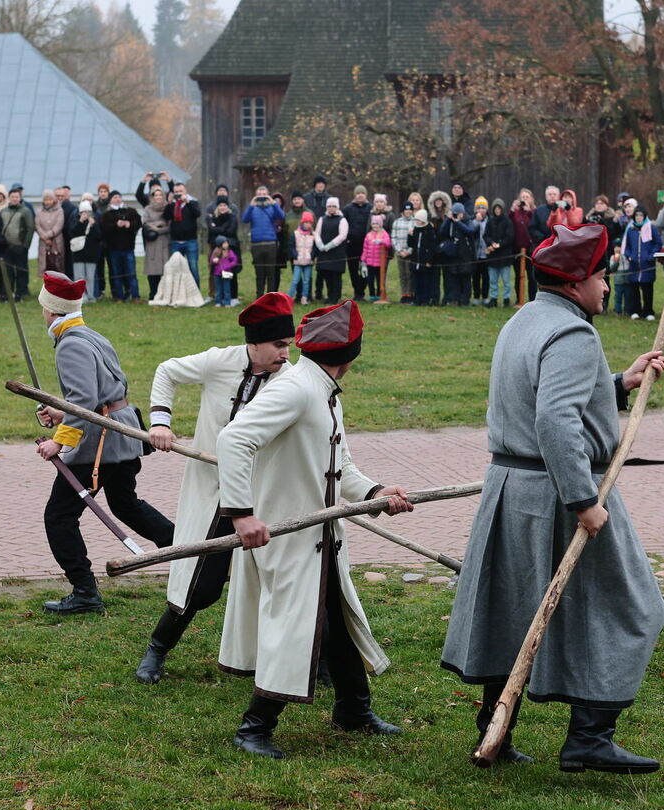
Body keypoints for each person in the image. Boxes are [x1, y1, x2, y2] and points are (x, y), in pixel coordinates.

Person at [442, 224, 664, 771]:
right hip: (555, 494)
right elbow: (554, 419)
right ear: (574, 284)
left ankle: (492, 729)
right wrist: (583, 500)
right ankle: (590, 737)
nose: (607, 285)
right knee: (633, 603)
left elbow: (547, 396)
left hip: (512, 489)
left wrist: (619, 383)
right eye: (599, 275)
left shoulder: (525, 318)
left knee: (513, 606)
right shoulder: (573, 334)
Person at [216, 300, 414, 759]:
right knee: (293, 626)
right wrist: (241, 513)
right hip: (288, 537)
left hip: (321, 538)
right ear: (351, 352)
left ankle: (353, 710)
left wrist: (376, 494)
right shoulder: (298, 389)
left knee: (337, 621)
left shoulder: (320, 389)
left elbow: (338, 465)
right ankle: (253, 729)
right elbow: (234, 439)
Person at [134, 293, 295, 683]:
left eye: (288, 345)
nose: (285, 354)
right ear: (254, 344)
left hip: (265, 496)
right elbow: (167, 370)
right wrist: (160, 421)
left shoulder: (291, 380)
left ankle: (314, 660)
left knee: (285, 578)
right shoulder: (220, 361)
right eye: (278, 345)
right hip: (215, 491)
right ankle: (157, 649)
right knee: (200, 581)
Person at [33, 271, 174, 614]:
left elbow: (84, 400)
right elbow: (102, 396)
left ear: (51, 311)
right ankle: (189, 554)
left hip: (101, 444)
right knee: (126, 505)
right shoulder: (91, 335)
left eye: (43, 308)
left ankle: (84, 591)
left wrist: (59, 441)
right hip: (120, 437)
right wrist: (60, 411)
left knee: (59, 517)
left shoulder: (70, 344)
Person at [242, 186, 286, 297]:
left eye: (264, 194)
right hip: (256, 244)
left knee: (271, 273)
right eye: (259, 194)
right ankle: (259, 296)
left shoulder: (271, 208)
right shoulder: (253, 208)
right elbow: (244, 219)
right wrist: (251, 205)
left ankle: (270, 297)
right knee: (259, 273)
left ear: (268, 195)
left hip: (270, 244)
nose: (261, 196)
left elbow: (281, 216)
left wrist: (273, 203)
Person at [100, 191, 141, 302]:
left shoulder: (130, 211)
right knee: (116, 274)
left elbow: (138, 222)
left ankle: (135, 295)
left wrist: (129, 224)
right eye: (115, 197)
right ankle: (118, 296)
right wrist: (115, 225)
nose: (117, 199)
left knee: (131, 273)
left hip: (128, 248)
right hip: (113, 249)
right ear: (110, 199)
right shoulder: (107, 214)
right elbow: (104, 227)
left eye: (119, 197)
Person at [0, 187, 35, 300]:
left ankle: (20, 294)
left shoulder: (25, 211)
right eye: (12, 197)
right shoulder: (4, 211)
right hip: (6, 247)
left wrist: (25, 246)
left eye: (17, 197)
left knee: (20, 272)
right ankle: (7, 294)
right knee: (7, 272)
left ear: (20, 198)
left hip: (19, 246)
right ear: (9, 198)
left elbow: (30, 228)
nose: (14, 199)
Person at [163, 182, 202, 288]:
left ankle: (195, 294)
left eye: (180, 191)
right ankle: (178, 293)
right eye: (176, 192)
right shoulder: (173, 205)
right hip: (176, 241)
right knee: (176, 269)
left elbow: (197, 214)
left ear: (185, 192)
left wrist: (187, 202)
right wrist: (169, 203)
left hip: (190, 241)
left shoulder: (193, 202)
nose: (178, 194)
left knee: (193, 268)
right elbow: (166, 216)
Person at [439, 201, 476, 306]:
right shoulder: (450, 222)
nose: (457, 215)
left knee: (465, 278)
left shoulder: (467, 221)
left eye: (458, 213)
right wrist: (448, 219)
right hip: (454, 255)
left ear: (462, 213)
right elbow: (442, 231)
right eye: (455, 213)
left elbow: (470, 231)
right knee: (454, 277)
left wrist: (457, 222)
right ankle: (456, 298)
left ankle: (465, 300)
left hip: (465, 255)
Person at [140, 184, 171, 301]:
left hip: (164, 243)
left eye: (160, 195)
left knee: (166, 271)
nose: (158, 197)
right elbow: (146, 223)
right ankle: (153, 294)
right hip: (152, 243)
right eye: (155, 195)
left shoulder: (168, 208)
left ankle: (166, 295)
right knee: (153, 271)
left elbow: (169, 226)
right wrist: (158, 225)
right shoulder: (148, 209)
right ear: (152, 197)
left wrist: (159, 229)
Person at [314, 197, 348, 303]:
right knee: (326, 274)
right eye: (329, 206)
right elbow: (317, 233)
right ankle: (329, 295)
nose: (331, 208)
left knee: (336, 275)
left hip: (336, 252)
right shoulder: (322, 219)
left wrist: (330, 245)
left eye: (334, 206)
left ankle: (336, 296)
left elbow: (342, 235)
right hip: (324, 252)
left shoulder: (342, 220)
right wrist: (320, 244)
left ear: (337, 207)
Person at [342, 186, 373, 300]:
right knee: (353, 269)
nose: (360, 195)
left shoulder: (371, 208)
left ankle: (362, 290)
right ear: (355, 195)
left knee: (366, 269)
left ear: (366, 195)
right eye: (358, 193)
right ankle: (357, 292)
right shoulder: (347, 209)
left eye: (362, 193)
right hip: (352, 244)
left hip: (367, 245)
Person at [207, 198, 241, 302]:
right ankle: (220, 296)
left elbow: (231, 231)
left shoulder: (233, 217)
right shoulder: (213, 218)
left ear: (228, 207)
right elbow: (211, 232)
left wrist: (217, 229)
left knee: (231, 272)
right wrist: (223, 229)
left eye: (224, 205)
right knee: (217, 273)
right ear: (217, 207)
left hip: (230, 247)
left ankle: (233, 296)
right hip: (217, 250)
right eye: (220, 205)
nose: (222, 207)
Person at [485, 199, 516, 307]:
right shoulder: (490, 221)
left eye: (499, 208)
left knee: (506, 281)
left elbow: (510, 237)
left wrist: (500, 244)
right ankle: (493, 299)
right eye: (495, 208)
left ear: (502, 209)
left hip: (504, 256)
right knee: (493, 280)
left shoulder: (507, 222)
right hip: (492, 255)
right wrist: (491, 243)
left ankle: (506, 299)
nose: (497, 210)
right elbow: (486, 235)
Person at [69, 201, 102, 299]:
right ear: (79, 213)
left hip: (91, 254)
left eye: (88, 212)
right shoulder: (75, 221)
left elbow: (99, 236)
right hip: (78, 254)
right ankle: (81, 296)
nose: (86, 214)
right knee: (79, 277)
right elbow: (72, 233)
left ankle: (91, 295)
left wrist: (93, 225)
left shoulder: (94, 221)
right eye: (83, 212)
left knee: (90, 277)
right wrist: (80, 222)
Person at [408, 209, 438, 306]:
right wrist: (410, 235)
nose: (417, 222)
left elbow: (432, 247)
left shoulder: (429, 230)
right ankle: (417, 299)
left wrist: (429, 260)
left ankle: (425, 300)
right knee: (417, 281)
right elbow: (411, 244)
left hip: (425, 261)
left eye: (419, 220)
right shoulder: (415, 229)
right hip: (416, 260)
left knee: (425, 281)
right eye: (416, 220)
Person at [360, 214, 392, 300]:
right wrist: (363, 261)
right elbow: (365, 249)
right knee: (370, 280)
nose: (375, 225)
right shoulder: (368, 235)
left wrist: (381, 241)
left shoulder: (384, 234)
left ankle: (379, 294)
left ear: (380, 224)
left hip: (380, 263)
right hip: (370, 263)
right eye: (373, 224)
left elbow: (388, 244)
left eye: (377, 224)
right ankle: (371, 294)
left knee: (379, 279)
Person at [35, 190, 66, 277]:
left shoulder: (59, 210)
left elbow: (59, 225)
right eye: (46, 200)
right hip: (43, 242)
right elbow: (37, 225)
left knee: (57, 266)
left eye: (50, 199)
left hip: (56, 241)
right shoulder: (39, 211)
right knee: (44, 265)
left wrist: (49, 235)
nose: (48, 202)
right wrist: (44, 237)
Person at [390, 202, 415, 303]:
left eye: (410, 210)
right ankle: (404, 294)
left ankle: (410, 294)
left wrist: (408, 251)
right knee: (402, 274)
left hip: (410, 253)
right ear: (402, 211)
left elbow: (416, 239)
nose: (408, 212)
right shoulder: (397, 222)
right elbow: (393, 237)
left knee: (410, 274)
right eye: (406, 210)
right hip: (400, 253)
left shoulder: (414, 222)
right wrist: (399, 250)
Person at [290, 211, 315, 304]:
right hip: (298, 261)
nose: (308, 224)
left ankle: (304, 298)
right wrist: (295, 255)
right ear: (302, 222)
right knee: (295, 280)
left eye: (310, 223)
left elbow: (315, 247)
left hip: (308, 261)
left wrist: (312, 256)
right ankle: (289, 297)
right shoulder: (296, 233)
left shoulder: (313, 235)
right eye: (306, 222)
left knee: (306, 280)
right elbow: (291, 246)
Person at [208, 235, 239, 307]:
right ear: (220, 244)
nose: (226, 244)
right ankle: (218, 302)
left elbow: (234, 261)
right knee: (218, 288)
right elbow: (211, 260)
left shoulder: (230, 252)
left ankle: (227, 302)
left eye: (227, 243)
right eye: (224, 243)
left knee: (227, 288)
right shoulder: (215, 251)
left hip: (227, 273)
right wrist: (214, 261)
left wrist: (227, 266)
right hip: (217, 273)